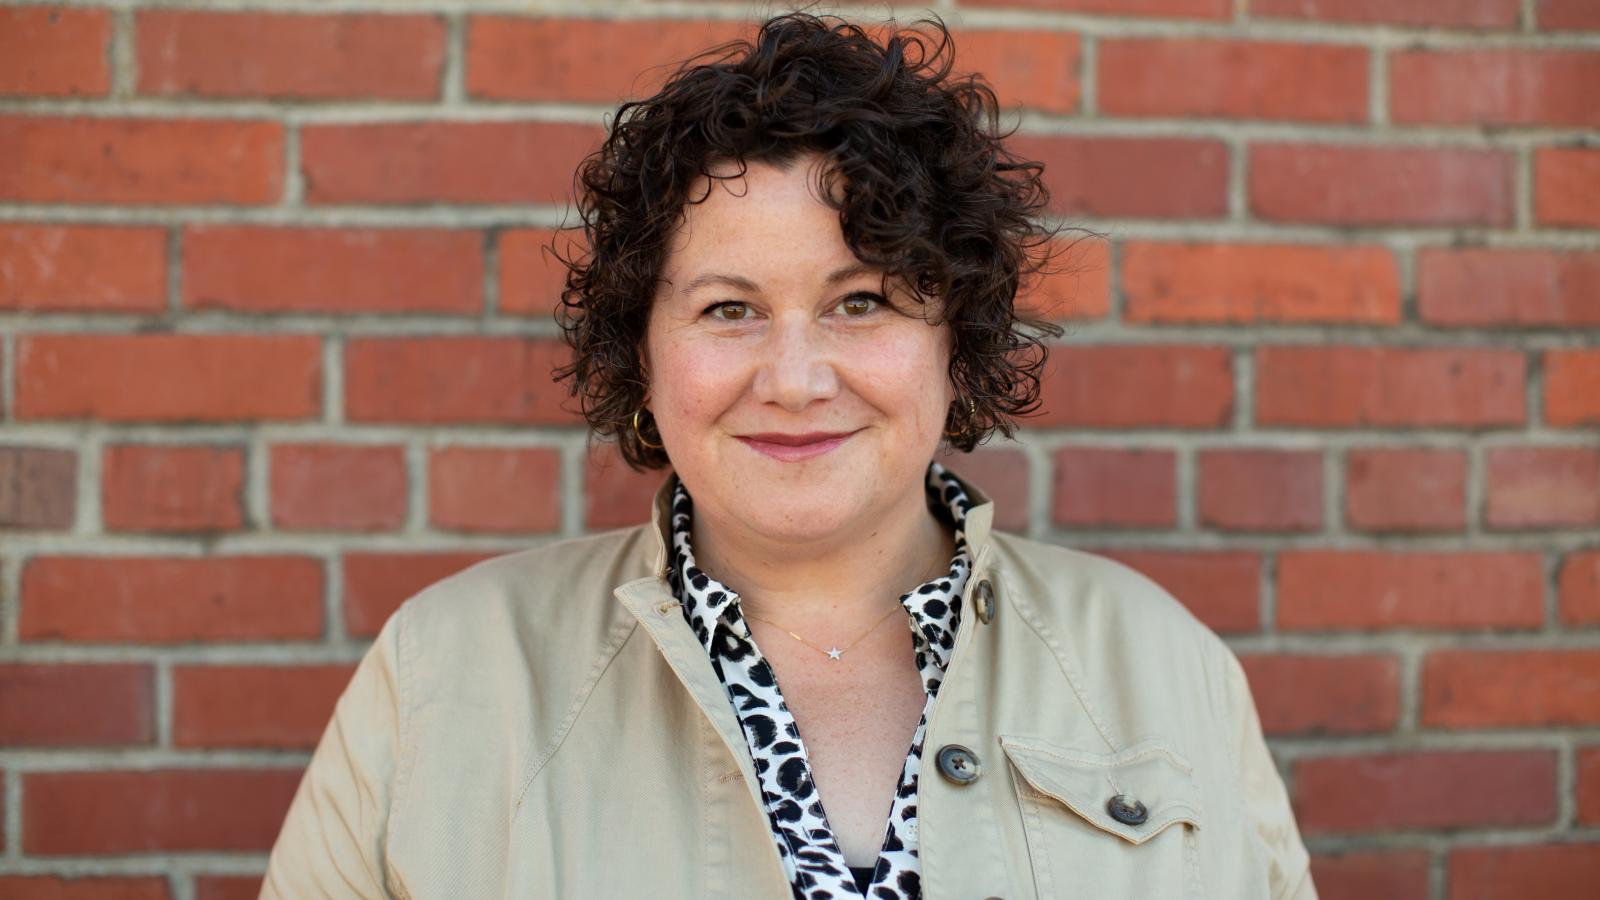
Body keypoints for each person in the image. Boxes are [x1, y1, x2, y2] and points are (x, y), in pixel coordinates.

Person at [262, 11, 1317, 900]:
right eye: (729, 309)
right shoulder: (446, 673)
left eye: (861, 301)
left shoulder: (1163, 667)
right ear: (644, 346)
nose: (795, 377)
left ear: (957, 337)